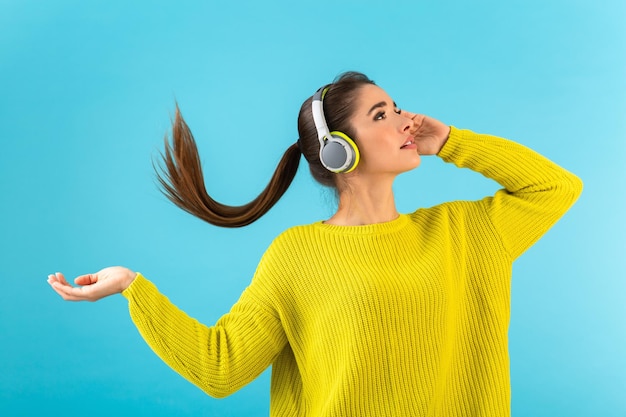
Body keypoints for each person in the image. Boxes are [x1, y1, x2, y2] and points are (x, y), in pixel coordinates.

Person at [47, 72, 583, 416]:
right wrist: (132, 288)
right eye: (382, 114)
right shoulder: (296, 256)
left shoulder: (464, 233)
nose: (407, 121)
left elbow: (556, 188)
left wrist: (451, 141)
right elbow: (220, 367)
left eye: (398, 106)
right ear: (338, 152)